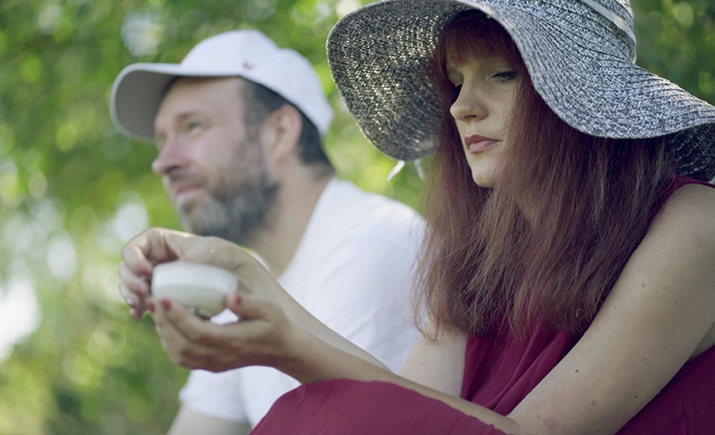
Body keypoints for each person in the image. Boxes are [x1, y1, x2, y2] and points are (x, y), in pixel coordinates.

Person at [119, 1, 715, 434]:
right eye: (455, 81)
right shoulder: (480, 255)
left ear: (585, 93)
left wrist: (286, 337)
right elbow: (410, 411)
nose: (461, 106)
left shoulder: (694, 223)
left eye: (501, 73)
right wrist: (255, 292)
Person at [110, 29, 424, 434]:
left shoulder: (370, 245)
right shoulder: (241, 283)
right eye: (161, 141)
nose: (163, 162)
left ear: (279, 132)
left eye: (192, 127)